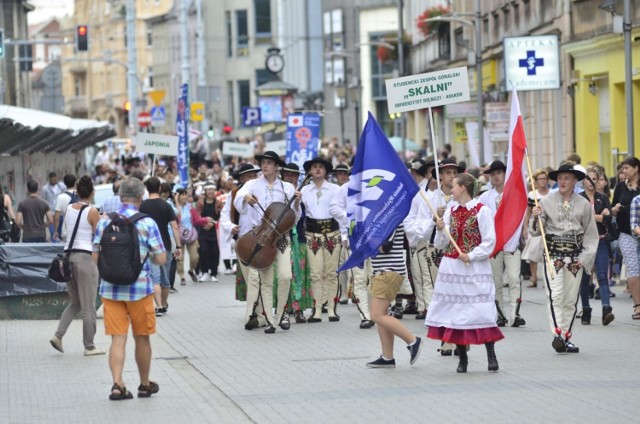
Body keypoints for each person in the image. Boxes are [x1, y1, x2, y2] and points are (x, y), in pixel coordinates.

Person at [93, 177, 167, 400]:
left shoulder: (105, 222)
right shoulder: (147, 223)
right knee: (142, 338)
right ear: (141, 196)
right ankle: (144, 384)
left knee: (117, 338)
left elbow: (94, 256)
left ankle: (117, 384)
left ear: (120, 195)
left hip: (110, 290)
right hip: (140, 290)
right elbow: (161, 259)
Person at [426, 173, 504, 373]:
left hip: (474, 267)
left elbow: (489, 241)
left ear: (463, 188)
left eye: (454, 186)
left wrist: (472, 255)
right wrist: (441, 228)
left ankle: (491, 354)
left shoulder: (482, 210)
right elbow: (441, 244)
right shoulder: (450, 210)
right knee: (456, 312)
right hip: (452, 266)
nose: (451, 189)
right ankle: (462, 358)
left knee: (481, 309)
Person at [530, 163, 598, 354]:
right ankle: (557, 334)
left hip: (575, 258)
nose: (562, 181)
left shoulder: (584, 204)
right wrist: (536, 217)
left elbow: (591, 235)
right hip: (553, 256)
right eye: (560, 178)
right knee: (555, 295)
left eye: (567, 178)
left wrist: (584, 258)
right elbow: (535, 232)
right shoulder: (546, 202)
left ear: (575, 180)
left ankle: (566, 337)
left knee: (570, 300)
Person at [234, 151, 301, 334]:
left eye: (269, 163)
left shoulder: (287, 187)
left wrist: (296, 203)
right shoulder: (251, 184)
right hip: (261, 237)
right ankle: (270, 321)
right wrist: (245, 198)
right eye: (263, 162)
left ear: (276, 166)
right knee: (266, 280)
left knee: (285, 276)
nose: (265, 166)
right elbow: (237, 200)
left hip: (280, 238)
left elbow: (295, 217)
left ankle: (280, 314)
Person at [50, 176, 105, 356]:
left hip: (67, 258)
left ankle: (58, 336)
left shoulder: (68, 209)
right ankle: (89, 346)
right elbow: (97, 237)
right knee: (89, 305)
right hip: (84, 258)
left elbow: (70, 230)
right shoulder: (92, 211)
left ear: (77, 192)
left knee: (75, 302)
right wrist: (102, 220)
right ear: (92, 192)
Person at [366, 223, 423, 369]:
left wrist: (365, 238)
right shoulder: (384, 216)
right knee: (382, 315)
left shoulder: (390, 216)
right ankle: (387, 357)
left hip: (388, 271)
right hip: (383, 271)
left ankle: (412, 340)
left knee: (376, 315)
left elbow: (384, 246)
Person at [478, 160, 527, 328]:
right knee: (496, 281)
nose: (495, 176)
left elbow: (522, 214)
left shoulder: (513, 194)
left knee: (514, 279)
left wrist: (524, 230)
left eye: (499, 173)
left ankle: (515, 313)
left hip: (511, 243)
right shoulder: (485, 197)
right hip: (494, 246)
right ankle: (500, 314)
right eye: (492, 174)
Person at [301, 157, 342, 323]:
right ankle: (317, 309)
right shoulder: (303, 191)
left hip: (333, 234)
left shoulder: (335, 189)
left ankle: (331, 308)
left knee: (331, 273)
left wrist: (345, 235)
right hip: (312, 235)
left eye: (321, 167)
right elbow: (297, 213)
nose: (317, 169)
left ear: (326, 171)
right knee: (315, 274)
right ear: (310, 171)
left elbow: (341, 212)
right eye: (314, 167)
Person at [139, 177, 182, 316]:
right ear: (159, 188)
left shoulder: (143, 206)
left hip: (149, 247)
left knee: (154, 278)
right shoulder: (166, 205)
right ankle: (163, 304)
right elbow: (175, 226)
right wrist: (179, 246)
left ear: (147, 188)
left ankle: (157, 306)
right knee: (166, 279)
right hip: (165, 246)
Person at [578, 167, 615, 326]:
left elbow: (609, 219)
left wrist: (601, 217)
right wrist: (600, 216)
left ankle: (606, 309)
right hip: (584, 243)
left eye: (595, 178)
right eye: (589, 178)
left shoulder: (603, 197)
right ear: (584, 181)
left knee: (602, 274)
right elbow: (579, 220)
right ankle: (586, 310)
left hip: (600, 240)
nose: (592, 181)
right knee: (585, 277)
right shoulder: (578, 198)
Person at [219, 164, 260, 299]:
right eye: (249, 176)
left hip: (261, 238)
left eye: (255, 176)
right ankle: (254, 307)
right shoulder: (234, 193)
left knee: (260, 276)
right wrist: (231, 226)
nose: (253, 179)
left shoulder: (262, 191)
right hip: (243, 239)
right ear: (242, 178)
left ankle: (259, 308)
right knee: (249, 276)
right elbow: (224, 215)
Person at [281, 162, 313, 323]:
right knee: (284, 275)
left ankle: (299, 309)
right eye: (287, 174)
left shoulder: (303, 193)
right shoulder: (278, 192)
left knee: (299, 275)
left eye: (294, 174)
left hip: (299, 239)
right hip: (281, 240)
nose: (290, 177)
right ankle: (284, 308)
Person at [611, 157, 640, 319]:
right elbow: (613, 207)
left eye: (627, 168)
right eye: (623, 169)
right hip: (626, 233)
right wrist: (615, 210)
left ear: (636, 169)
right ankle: (637, 306)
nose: (624, 171)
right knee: (633, 268)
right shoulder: (621, 187)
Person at [403, 159, 432, 320]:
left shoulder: (427, 193)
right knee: (418, 274)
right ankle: (422, 306)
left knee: (426, 277)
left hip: (429, 238)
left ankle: (427, 306)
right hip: (417, 237)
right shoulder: (416, 192)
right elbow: (411, 218)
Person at [522, 168, 551, 288]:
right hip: (535, 226)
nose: (543, 181)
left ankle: (548, 278)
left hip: (548, 226)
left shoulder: (552, 193)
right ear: (536, 181)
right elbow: (528, 212)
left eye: (544, 179)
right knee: (533, 252)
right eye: (540, 179)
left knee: (548, 253)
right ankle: (533, 277)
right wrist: (525, 227)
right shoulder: (532, 194)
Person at [174, 188, 208, 285]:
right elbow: (176, 215)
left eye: (186, 195)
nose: (185, 197)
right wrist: (176, 201)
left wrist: (205, 220)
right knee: (180, 258)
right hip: (178, 236)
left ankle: (191, 270)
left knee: (195, 257)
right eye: (182, 195)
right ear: (177, 196)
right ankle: (182, 276)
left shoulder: (190, 207)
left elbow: (196, 220)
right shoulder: (174, 207)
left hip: (191, 235)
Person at [195, 182, 220, 282]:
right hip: (203, 231)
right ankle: (204, 272)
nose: (210, 192)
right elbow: (197, 216)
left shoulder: (218, 202)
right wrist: (204, 224)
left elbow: (221, 216)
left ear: (214, 191)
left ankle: (214, 273)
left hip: (214, 231)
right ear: (205, 191)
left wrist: (212, 223)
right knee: (203, 251)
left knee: (215, 252)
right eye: (208, 190)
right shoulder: (200, 203)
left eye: (212, 189)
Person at [53, 174, 77, 242]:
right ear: (75, 182)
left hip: (67, 231)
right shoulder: (81, 195)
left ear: (64, 183)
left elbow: (57, 217)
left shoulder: (61, 197)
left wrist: (55, 231)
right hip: (80, 230)